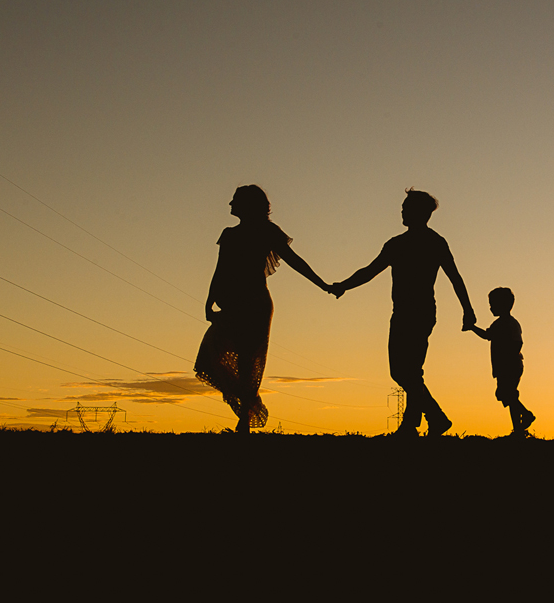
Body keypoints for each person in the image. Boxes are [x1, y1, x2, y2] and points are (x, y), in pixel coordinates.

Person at [331, 189, 475, 437]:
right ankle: (417, 423)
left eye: (406, 206)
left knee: (403, 371)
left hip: (418, 313)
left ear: (420, 212)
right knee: (409, 371)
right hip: (406, 313)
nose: (401, 211)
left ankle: (430, 418)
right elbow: (370, 270)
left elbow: (455, 277)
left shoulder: (431, 242)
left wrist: (468, 310)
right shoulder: (399, 244)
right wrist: (343, 285)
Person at [195, 185, 331, 433]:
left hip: (255, 303)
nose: (229, 204)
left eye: (235, 200)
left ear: (247, 204)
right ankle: (249, 403)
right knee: (209, 355)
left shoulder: (267, 231)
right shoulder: (229, 234)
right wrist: (208, 301)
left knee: (248, 361)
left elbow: (295, 261)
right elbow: (220, 269)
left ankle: (244, 420)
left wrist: (322, 284)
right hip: (232, 304)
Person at [468, 287, 534, 436]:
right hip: (505, 366)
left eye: (493, 304)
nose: (490, 308)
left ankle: (526, 416)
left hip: (510, 365)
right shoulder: (498, 324)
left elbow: (518, 342)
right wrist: (472, 328)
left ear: (503, 305)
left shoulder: (510, 323)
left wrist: (508, 358)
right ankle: (518, 428)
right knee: (509, 395)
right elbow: (487, 335)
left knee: (507, 394)